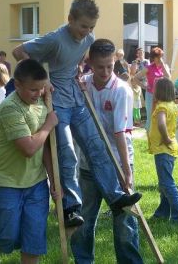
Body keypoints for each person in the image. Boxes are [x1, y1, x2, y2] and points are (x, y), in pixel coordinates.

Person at [12, 0, 141, 227]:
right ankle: (71, 207)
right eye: (83, 26)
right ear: (70, 19)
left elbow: (78, 59)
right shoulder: (54, 39)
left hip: (76, 99)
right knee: (68, 153)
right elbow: (18, 51)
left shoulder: (88, 39)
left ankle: (116, 196)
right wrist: (42, 79)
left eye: (91, 27)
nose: (87, 31)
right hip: (57, 103)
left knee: (96, 145)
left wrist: (79, 71)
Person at [71, 39, 143, 264]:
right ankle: (83, 261)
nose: (104, 71)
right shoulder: (83, 85)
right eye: (99, 66)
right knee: (84, 221)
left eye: (110, 66)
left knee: (124, 223)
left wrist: (126, 171)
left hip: (117, 163)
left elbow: (120, 132)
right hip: (88, 164)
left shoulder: (121, 91)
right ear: (90, 63)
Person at [0, 59, 59, 264]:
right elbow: (29, 148)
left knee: (33, 239)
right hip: (7, 183)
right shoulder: (10, 108)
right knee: (8, 236)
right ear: (17, 85)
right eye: (33, 89)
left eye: (42, 88)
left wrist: (52, 182)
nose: (38, 93)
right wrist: (48, 125)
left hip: (36, 184)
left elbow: (44, 149)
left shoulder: (43, 103)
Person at [149, 77, 178, 225]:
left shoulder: (162, 108)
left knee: (167, 184)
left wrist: (164, 138)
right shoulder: (172, 105)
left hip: (164, 148)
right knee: (164, 183)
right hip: (170, 148)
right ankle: (162, 213)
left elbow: (161, 124)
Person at [135, 47, 171, 131]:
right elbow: (136, 78)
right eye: (158, 57)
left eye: (161, 56)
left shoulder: (164, 66)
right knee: (151, 116)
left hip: (163, 96)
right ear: (153, 58)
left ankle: (160, 136)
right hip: (151, 95)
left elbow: (168, 78)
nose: (160, 59)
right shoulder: (149, 67)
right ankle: (149, 137)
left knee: (162, 116)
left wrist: (162, 65)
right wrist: (144, 86)